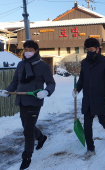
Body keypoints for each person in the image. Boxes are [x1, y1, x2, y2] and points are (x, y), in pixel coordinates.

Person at [0, 40, 55, 170]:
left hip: (35, 100)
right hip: (22, 100)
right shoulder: (20, 65)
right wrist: (8, 91)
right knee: (26, 125)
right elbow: (15, 81)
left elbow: (51, 83)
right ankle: (41, 138)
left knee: (28, 130)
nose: (28, 52)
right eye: (26, 50)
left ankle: (27, 157)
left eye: (30, 50)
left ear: (36, 51)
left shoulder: (43, 66)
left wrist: (46, 91)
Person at [72, 38, 105, 160]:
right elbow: (82, 78)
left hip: (101, 97)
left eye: (91, 49)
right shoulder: (84, 63)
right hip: (88, 98)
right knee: (87, 125)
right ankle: (90, 149)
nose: (89, 52)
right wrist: (77, 89)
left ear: (98, 49)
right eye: (87, 50)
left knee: (103, 120)